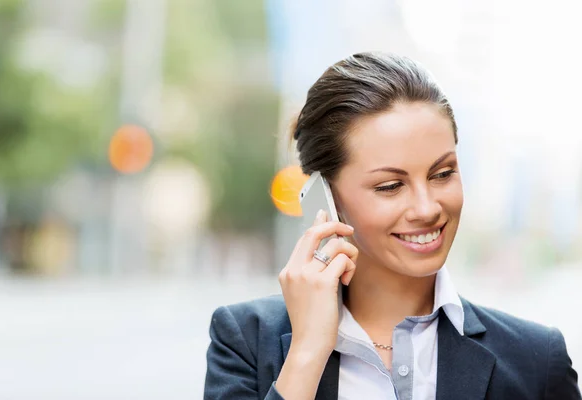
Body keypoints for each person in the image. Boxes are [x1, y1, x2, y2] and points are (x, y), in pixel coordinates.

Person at [203, 52, 581, 400]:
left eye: (443, 173)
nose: (427, 208)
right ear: (326, 197)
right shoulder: (246, 341)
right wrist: (306, 352)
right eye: (390, 186)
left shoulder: (536, 362)